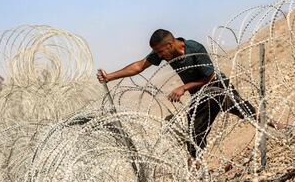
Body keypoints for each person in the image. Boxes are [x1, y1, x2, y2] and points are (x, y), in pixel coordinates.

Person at [97, 29, 280, 170]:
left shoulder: (194, 48)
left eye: (161, 52)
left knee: (247, 111)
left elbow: (209, 77)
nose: (160, 56)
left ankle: (281, 129)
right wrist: (110, 76)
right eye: (157, 53)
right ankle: (198, 171)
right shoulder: (164, 52)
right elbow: (139, 66)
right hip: (200, 96)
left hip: (218, 88)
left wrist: (183, 87)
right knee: (194, 135)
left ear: (170, 45)